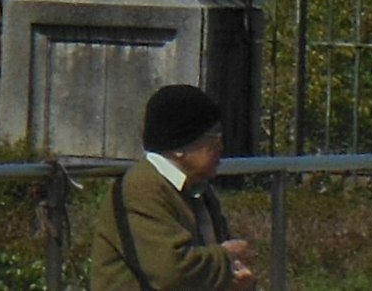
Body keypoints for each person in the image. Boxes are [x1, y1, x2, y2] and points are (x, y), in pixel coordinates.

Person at [89, 83, 259, 290]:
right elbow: (172, 272)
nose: (221, 146)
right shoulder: (141, 188)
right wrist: (227, 258)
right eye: (214, 136)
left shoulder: (198, 188)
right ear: (179, 147)